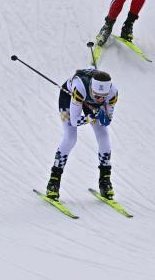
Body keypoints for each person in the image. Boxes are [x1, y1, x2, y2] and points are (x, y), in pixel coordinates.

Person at [46, 69, 119, 201]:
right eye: (97, 95)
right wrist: (90, 117)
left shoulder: (112, 93)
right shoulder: (80, 87)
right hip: (69, 97)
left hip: (89, 103)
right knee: (70, 138)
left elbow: (107, 121)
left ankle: (105, 181)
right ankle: (54, 181)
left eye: (102, 97)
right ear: (91, 87)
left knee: (104, 136)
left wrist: (104, 117)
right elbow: (74, 121)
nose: (99, 99)